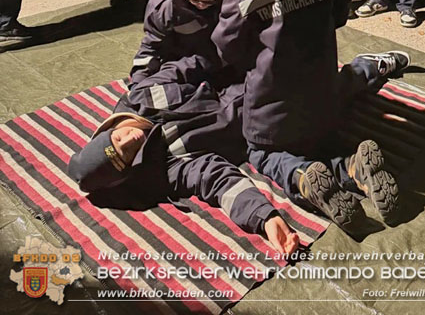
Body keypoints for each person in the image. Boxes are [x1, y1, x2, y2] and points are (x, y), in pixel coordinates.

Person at [211, 0, 409, 228]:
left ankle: (303, 177)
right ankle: (352, 167)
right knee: (320, 136)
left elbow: (228, 48)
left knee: (261, 153)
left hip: (273, 116)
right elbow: (339, 13)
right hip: (326, 99)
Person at [67, 54, 299, 255]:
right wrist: (263, 218)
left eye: (118, 139)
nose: (131, 140)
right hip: (266, 113)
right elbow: (217, 179)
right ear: (130, 168)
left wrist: (236, 52)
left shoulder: (140, 96)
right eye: (126, 154)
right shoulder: (168, 169)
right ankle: (303, 175)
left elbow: (189, 65)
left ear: (110, 128)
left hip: (246, 69)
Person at [130, 0, 229, 85]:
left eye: (208, 1)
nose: (201, 5)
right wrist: (138, 80)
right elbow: (151, 47)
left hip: (222, 60)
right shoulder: (164, 8)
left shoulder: (232, 1)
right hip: (181, 64)